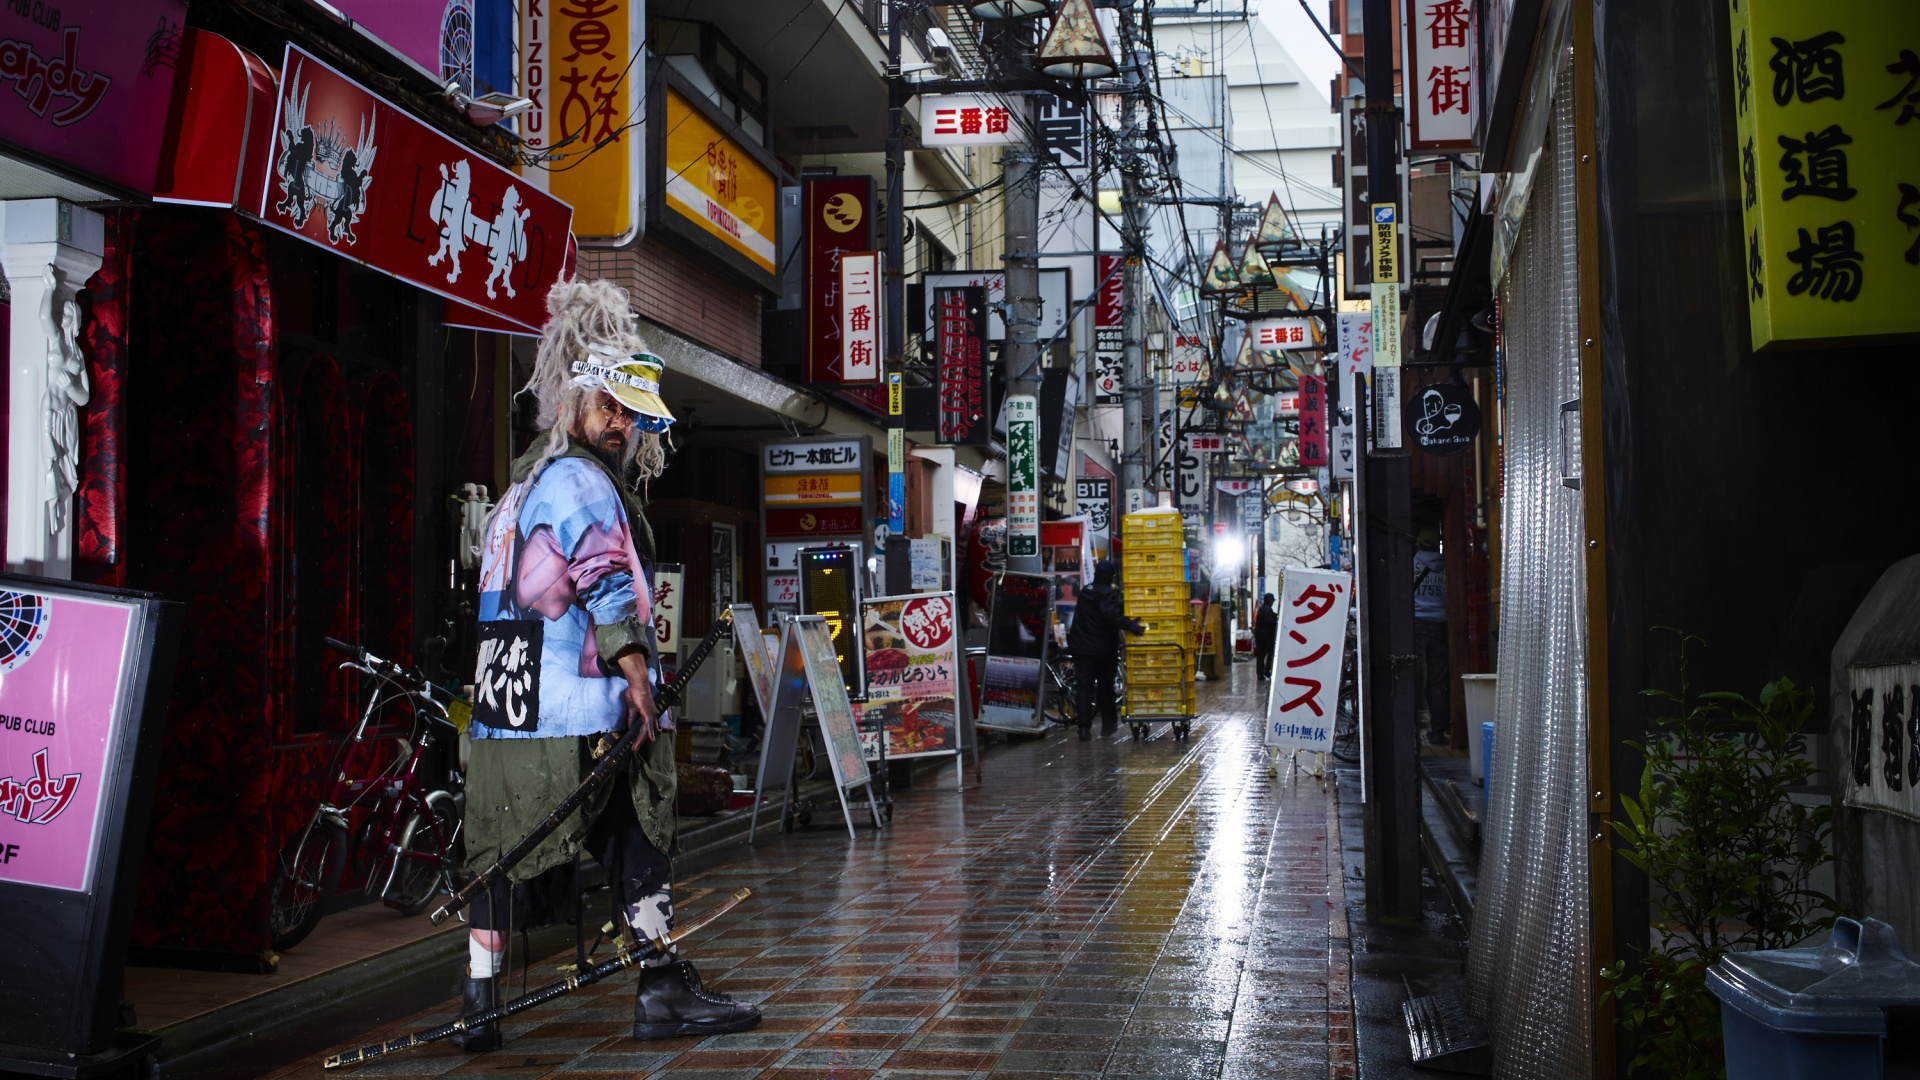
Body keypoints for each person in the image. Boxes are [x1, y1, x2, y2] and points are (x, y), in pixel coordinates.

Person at [456, 280, 760, 1051]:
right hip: (575, 712)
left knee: (499, 853)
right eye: (610, 407)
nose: (622, 425)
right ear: (571, 397)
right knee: (636, 832)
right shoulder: (580, 480)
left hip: (506, 712)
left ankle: (479, 1003)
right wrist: (636, 677)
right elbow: (605, 578)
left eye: (631, 413)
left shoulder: (515, 492)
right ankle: (660, 983)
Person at [1067, 559, 1144, 740]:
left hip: (1082, 649)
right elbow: (1110, 614)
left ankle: (1084, 728)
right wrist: (1128, 624)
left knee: (1084, 687)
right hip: (1103, 650)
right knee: (1105, 687)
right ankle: (1108, 726)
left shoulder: (1086, 591)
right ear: (1111, 575)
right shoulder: (1108, 593)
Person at [1413, 525, 1450, 745]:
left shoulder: (1412, 564)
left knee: (1417, 677)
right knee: (1439, 680)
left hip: (1417, 623)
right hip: (1440, 625)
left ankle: (1414, 727)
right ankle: (1438, 731)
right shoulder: (1446, 566)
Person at [1253, 594, 1278, 680]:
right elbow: (1269, 620)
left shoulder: (1262, 608)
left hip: (1260, 636)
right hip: (1266, 636)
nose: (1273, 602)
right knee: (1270, 653)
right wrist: (1276, 620)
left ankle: (1260, 673)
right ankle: (1267, 670)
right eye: (1272, 600)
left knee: (1261, 655)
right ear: (1269, 600)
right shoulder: (1267, 609)